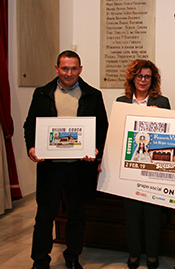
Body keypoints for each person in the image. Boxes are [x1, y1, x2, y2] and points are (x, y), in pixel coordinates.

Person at [23, 50, 109, 269]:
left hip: (79, 168)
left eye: (73, 68)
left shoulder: (93, 94)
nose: (69, 73)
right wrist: (31, 148)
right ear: (56, 68)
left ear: (80, 69)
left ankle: (72, 257)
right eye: (64, 68)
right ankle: (40, 261)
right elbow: (30, 125)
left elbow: (103, 128)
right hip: (50, 168)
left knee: (76, 216)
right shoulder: (42, 93)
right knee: (44, 216)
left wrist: (96, 149)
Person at [116, 59, 170, 269]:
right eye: (139, 76)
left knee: (153, 215)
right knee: (131, 215)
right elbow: (116, 135)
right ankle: (134, 254)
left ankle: (152, 256)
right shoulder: (121, 102)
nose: (143, 80)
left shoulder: (162, 102)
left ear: (152, 80)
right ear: (132, 78)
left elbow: (168, 134)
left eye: (147, 76)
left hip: (153, 171)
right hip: (129, 170)